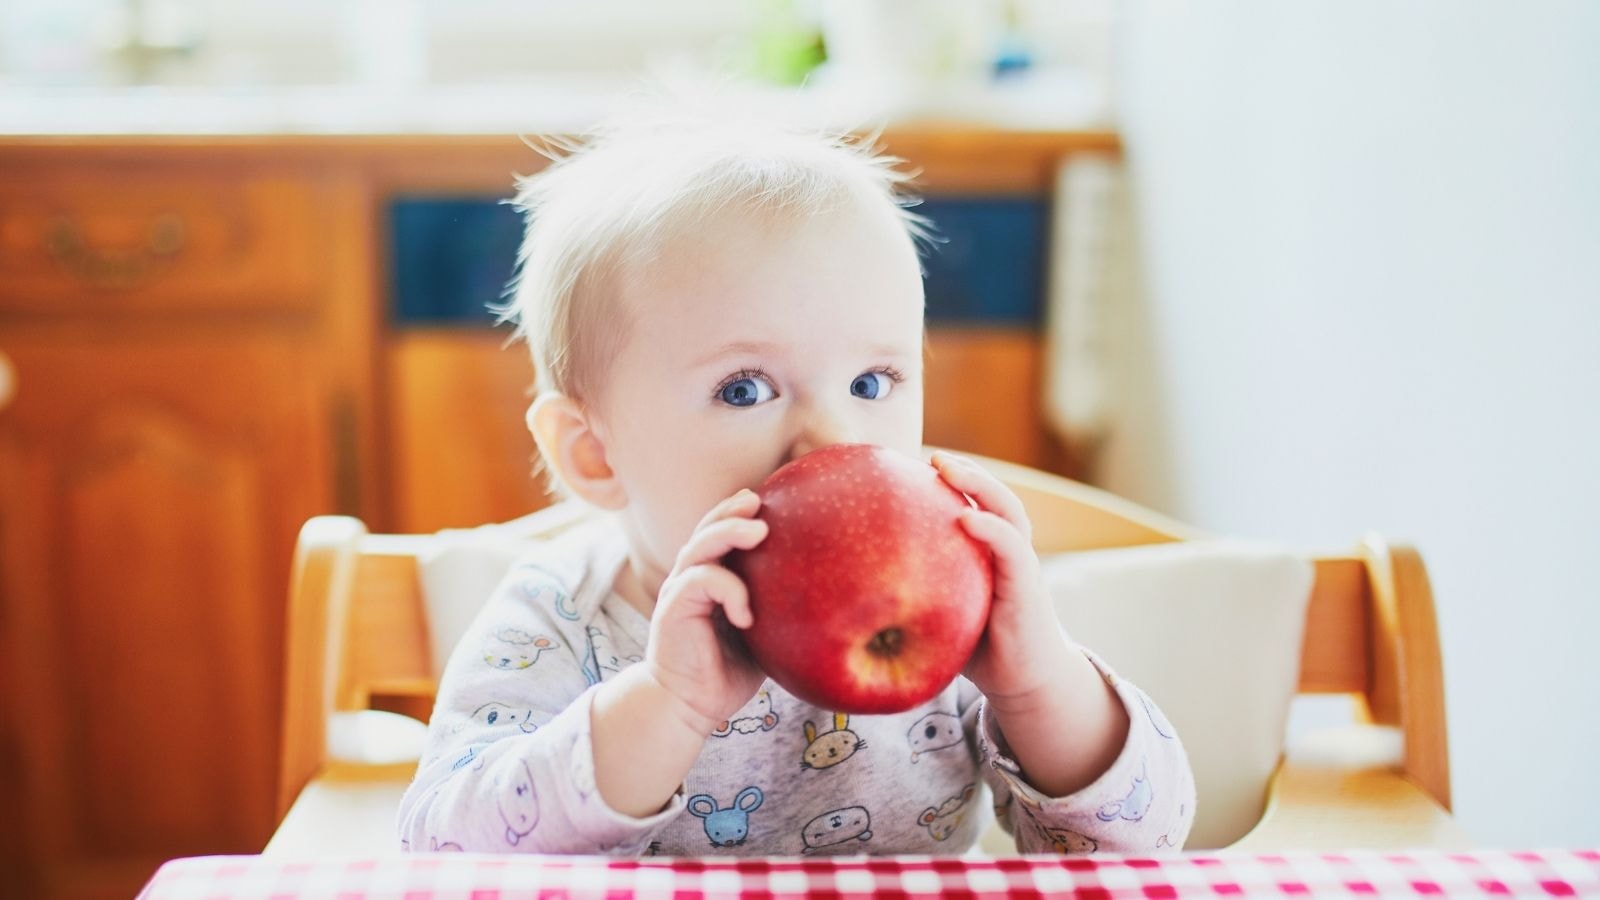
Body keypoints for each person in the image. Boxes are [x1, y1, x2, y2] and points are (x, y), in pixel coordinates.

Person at [396, 109, 1194, 856]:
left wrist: (1038, 685)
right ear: (595, 454)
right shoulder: (559, 622)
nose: (835, 441)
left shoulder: (954, 609)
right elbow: (440, 854)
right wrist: (665, 704)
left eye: (873, 383)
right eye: (745, 388)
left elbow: (1142, 844)